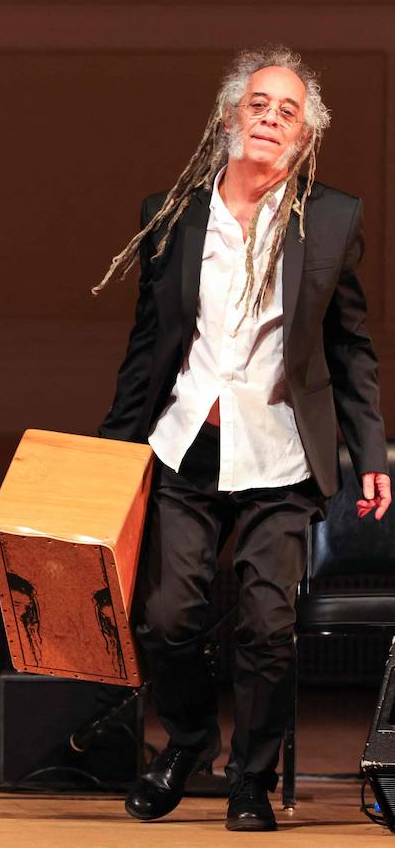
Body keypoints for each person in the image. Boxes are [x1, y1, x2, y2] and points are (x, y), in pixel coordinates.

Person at [96, 46, 390, 832]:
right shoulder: (173, 213)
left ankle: (251, 777)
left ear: (305, 137)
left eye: (288, 110)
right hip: (186, 446)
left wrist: (369, 452)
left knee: (268, 628)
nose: (270, 118)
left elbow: (350, 347)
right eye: (258, 104)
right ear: (230, 118)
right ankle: (187, 740)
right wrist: (111, 455)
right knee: (164, 617)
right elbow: (147, 347)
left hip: (281, 457)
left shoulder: (329, 219)